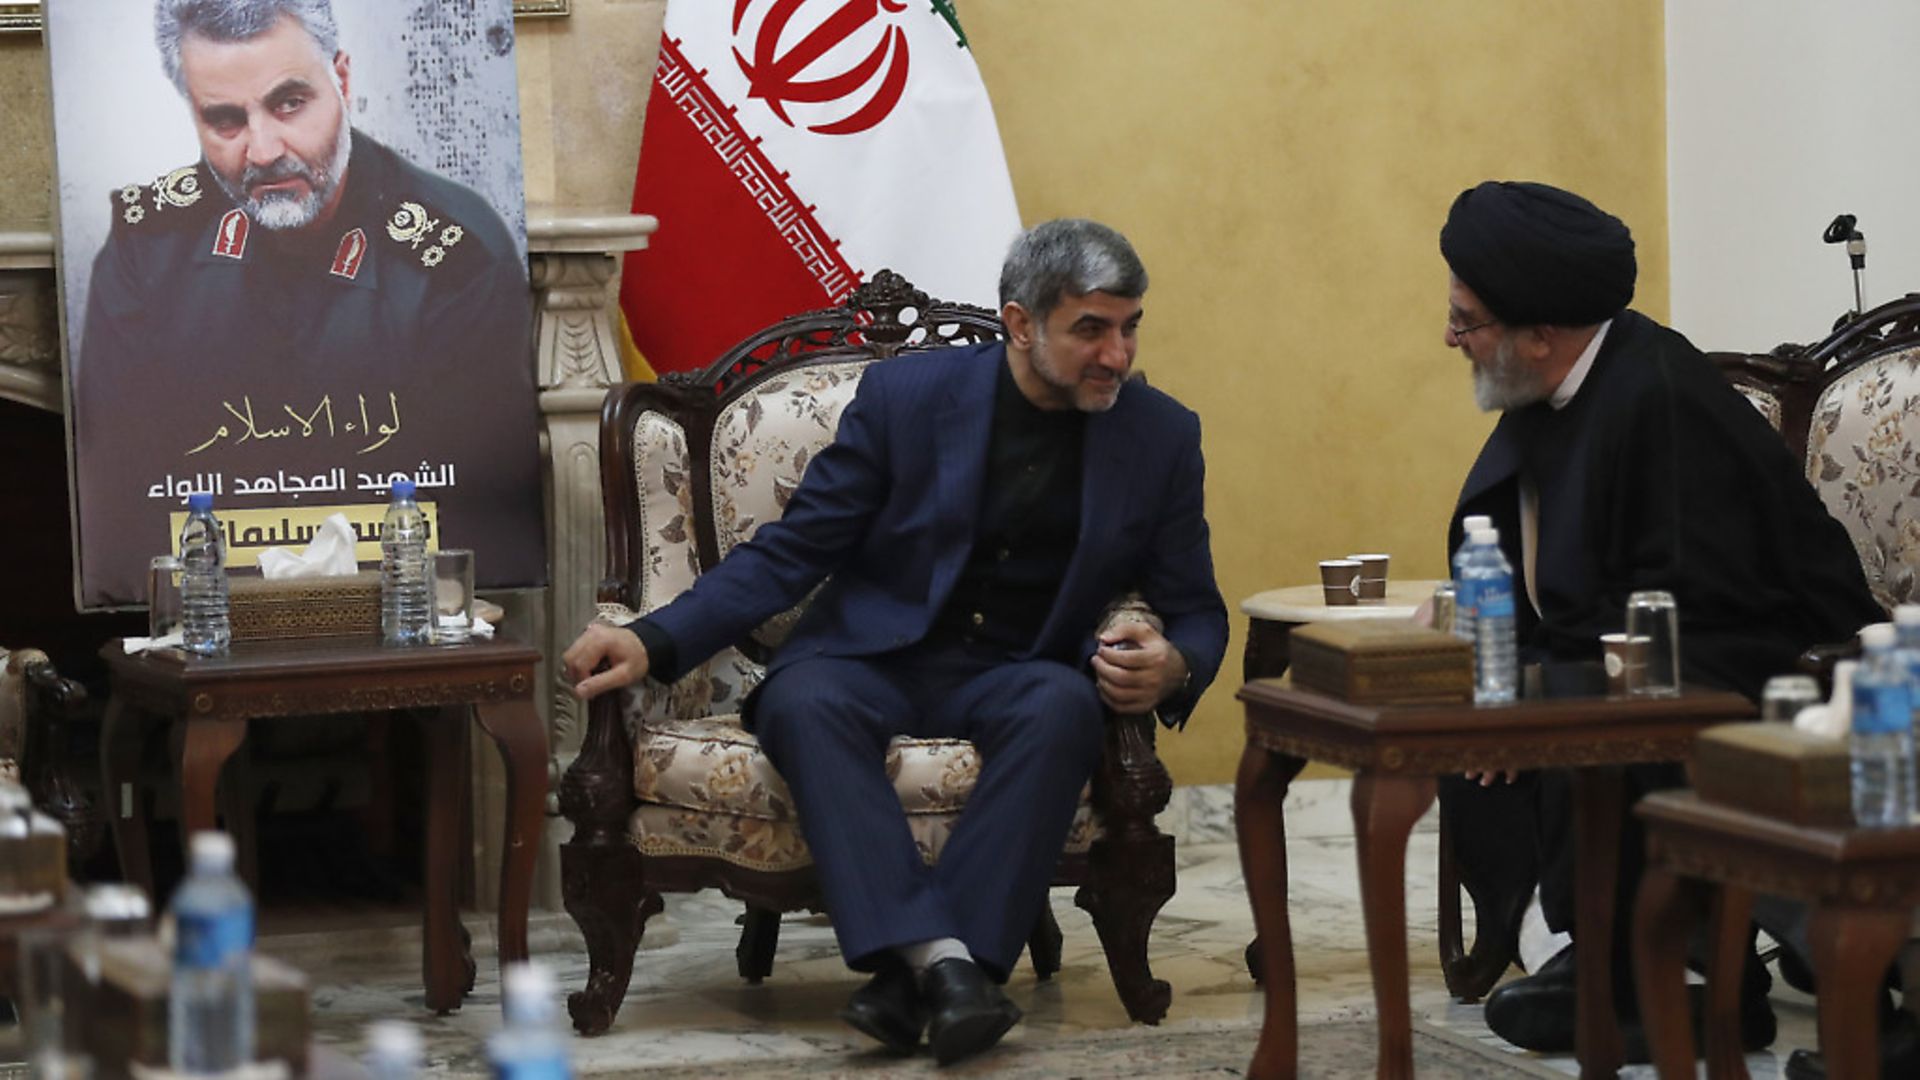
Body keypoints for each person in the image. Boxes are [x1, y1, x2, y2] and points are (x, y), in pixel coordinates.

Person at [563, 218, 1228, 1065]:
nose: (1117, 355)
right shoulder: (910, 401)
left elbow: (1199, 609)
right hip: (870, 659)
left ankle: (913, 974)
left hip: (1020, 670)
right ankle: (952, 968)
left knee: (1067, 707)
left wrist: (1174, 666)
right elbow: (794, 554)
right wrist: (656, 640)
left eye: (1129, 326)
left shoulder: (1161, 436)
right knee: (803, 703)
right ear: (1021, 324)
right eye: (1090, 329)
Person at [1434, 180, 1883, 1062]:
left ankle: (1678, 977)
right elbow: (1528, 564)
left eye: (1467, 320)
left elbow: (1702, 605)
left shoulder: (1661, 396)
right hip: (1652, 655)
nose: (1452, 339)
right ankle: (1601, 959)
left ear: (1540, 333)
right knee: (1474, 711)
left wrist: (1534, 697)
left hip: (1769, 669)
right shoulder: (1560, 386)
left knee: (1575, 715)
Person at [74, 0, 539, 596]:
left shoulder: (456, 255)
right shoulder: (147, 251)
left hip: (402, 609)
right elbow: (118, 491)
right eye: (225, 120)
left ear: (341, 79)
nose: (264, 150)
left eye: (289, 103)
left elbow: (477, 510)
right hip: (210, 610)